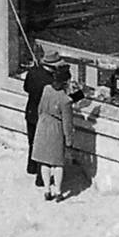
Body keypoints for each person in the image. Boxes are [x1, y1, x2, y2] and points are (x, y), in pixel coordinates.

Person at [30, 61, 76, 201]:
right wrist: (69, 142)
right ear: (66, 82)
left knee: (44, 161)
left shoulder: (46, 89)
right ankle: (58, 191)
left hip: (43, 125)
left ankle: (47, 190)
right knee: (57, 163)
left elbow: (40, 109)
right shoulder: (65, 100)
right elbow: (67, 123)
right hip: (56, 129)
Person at [21, 44, 55, 186]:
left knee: (32, 142)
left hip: (30, 112)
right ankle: (41, 178)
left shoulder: (33, 72)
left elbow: (26, 88)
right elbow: (62, 98)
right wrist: (80, 94)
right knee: (43, 147)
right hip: (44, 116)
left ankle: (31, 167)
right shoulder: (51, 81)